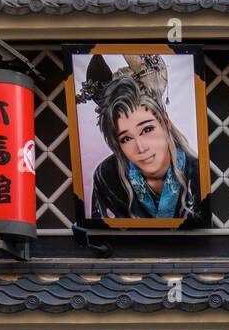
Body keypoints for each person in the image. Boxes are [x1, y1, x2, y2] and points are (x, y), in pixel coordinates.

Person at [78, 55, 203, 221]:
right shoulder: (107, 177)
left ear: (165, 122)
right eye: (126, 139)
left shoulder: (197, 173)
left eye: (147, 129)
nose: (141, 147)